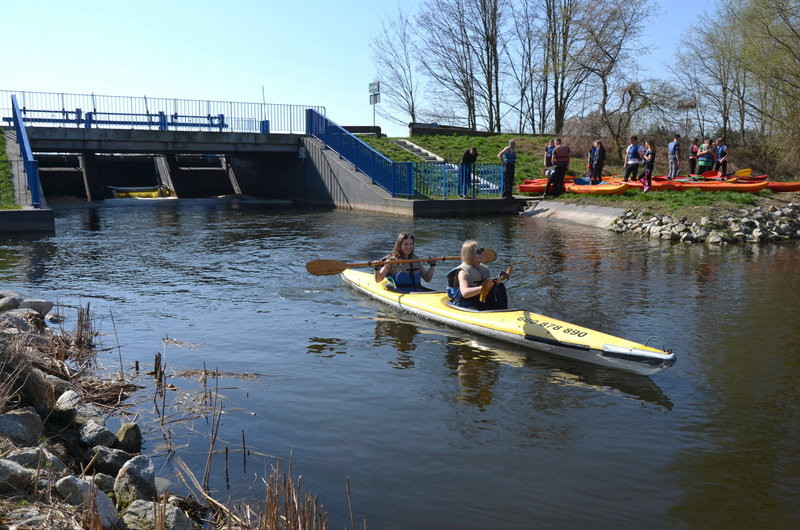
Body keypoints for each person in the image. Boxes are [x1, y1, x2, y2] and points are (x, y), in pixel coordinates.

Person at [446, 240, 509, 310]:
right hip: (466, 305)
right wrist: (484, 287)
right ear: (470, 255)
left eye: (482, 250)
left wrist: (496, 280)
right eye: (479, 252)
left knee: (499, 286)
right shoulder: (463, 272)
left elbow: (488, 285)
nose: (482, 253)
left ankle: (503, 310)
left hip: (479, 302)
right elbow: (465, 293)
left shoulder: (483, 269)